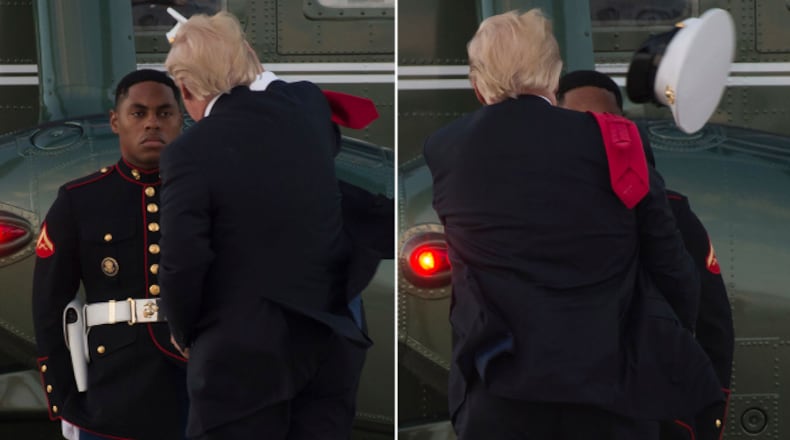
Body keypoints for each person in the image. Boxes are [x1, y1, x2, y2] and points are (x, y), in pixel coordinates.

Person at [423, 9, 722, 439]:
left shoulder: (445, 148)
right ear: (553, 75)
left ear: (477, 82)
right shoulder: (616, 140)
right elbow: (671, 264)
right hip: (612, 389)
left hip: (500, 389)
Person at [159, 11, 374, 440]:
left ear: (185, 88)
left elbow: (184, 260)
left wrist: (182, 329)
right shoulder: (308, 105)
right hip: (326, 347)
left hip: (241, 363)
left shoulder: (188, 153)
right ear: (248, 59)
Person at [557, 69, 735, 440]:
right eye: (577, 123)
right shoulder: (541, 216)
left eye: (602, 122)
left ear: (620, 127)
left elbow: (711, 325)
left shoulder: (671, 213)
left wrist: (703, 418)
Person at [32, 69, 187, 439]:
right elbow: (49, 307)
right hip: (111, 396)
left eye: (165, 113)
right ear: (115, 121)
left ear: (181, 121)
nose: (152, 122)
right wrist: (65, 400)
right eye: (138, 113)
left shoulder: (204, 194)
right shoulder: (80, 200)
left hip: (195, 390)